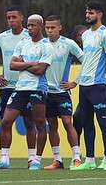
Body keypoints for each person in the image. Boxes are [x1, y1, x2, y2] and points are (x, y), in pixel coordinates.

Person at [0, 15, 52, 170]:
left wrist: (23, 64)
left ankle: (36, 160)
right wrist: (31, 63)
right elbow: (12, 65)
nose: (30, 28)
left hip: (37, 88)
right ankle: (4, 159)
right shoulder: (23, 43)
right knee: (6, 121)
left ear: (40, 26)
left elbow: (41, 70)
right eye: (28, 25)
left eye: (33, 25)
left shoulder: (46, 45)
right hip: (20, 88)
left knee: (39, 123)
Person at [71, 1, 106, 171]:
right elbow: (87, 61)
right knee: (86, 122)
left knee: (104, 123)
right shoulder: (86, 35)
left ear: (100, 14)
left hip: (98, 85)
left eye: (91, 13)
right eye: (87, 12)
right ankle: (90, 160)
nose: (87, 15)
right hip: (85, 85)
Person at [0, 7, 34, 169]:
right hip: (7, 87)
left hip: (27, 86)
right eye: (8, 17)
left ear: (22, 18)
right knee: (5, 122)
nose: (11, 20)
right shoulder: (1, 38)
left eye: (14, 17)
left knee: (30, 122)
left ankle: (32, 159)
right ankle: (4, 159)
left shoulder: (30, 37)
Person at [42, 15, 83, 169]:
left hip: (62, 92)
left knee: (67, 123)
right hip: (46, 93)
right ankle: (57, 160)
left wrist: (74, 82)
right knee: (52, 126)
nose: (50, 30)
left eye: (53, 27)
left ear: (60, 28)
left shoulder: (68, 44)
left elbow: (86, 62)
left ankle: (77, 157)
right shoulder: (41, 44)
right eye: (47, 28)